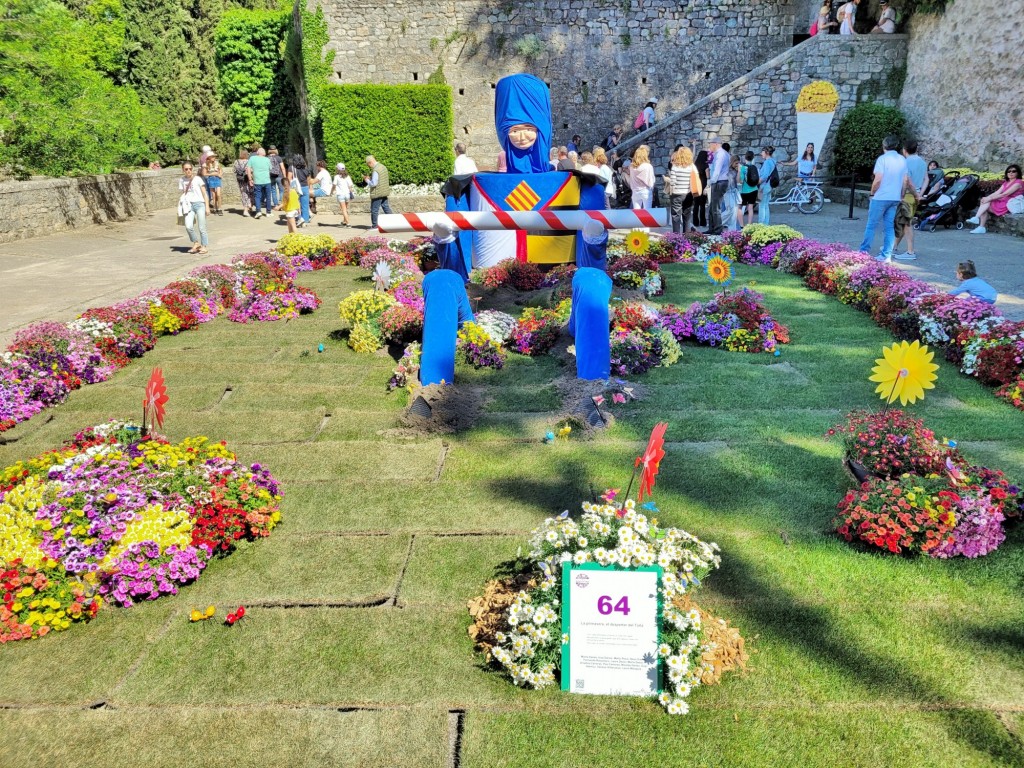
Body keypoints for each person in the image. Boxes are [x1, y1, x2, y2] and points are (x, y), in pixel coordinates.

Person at [858, 135, 911, 262]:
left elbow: (878, 179)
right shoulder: (902, 160)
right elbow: (905, 180)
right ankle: (886, 255)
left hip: (881, 197)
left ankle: (863, 251)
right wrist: (902, 194)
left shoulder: (882, 159)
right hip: (895, 197)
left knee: (871, 225)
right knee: (889, 227)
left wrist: (872, 192)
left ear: (884, 146)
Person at [893, 139, 927, 260]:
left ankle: (910, 251)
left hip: (907, 194)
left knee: (906, 223)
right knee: (902, 221)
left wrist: (901, 195)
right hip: (916, 194)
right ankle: (894, 246)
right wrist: (919, 194)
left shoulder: (905, 162)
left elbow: (906, 181)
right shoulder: (922, 162)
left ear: (904, 150)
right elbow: (926, 180)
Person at [966, 164, 1024, 234]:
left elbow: (1005, 194)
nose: (1011, 173)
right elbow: (997, 192)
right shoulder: (1006, 182)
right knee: (985, 201)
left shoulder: (1019, 182)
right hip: (1002, 201)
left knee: (986, 203)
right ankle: (979, 224)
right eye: (1009, 171)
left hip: (1009, 203)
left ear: (1018, 173)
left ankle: (979, 223)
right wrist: (987, 198)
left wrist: (989, 199)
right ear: (1006, 173)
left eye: (1013, 171)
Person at [179, 161, 210, 254]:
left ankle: (204, 246)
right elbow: (184, 194)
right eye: (186, 169)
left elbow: (205, 193)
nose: (188, 171)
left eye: (190, 169)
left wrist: (207, 206)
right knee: (188, 226)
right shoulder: (182, 180)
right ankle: (196, 243)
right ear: (183, 170)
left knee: (202, 227)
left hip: (199, 204)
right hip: (189, 205)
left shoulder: (198, 179)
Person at [668, 146, 700, 234]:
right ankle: (686, 236)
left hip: (676, 194)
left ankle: (676, 236)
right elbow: (696, 178)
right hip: (688, 194)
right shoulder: (692, 166)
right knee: (687, 216)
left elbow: (673, 181)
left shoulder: (675, 166)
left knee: (676, 216)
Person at [706, 137, 730, 234]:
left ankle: (717, 229)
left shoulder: (720, 154)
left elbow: (717, 170)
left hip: (719, 182)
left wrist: (711, 181)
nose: (710, 146)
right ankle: (712, 228)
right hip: (720, 181)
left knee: (715, 207)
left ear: (716, 144)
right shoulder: (723, 154)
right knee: (713, 206)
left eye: (711, 144)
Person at [364, 155, 393, 230]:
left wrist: (367, 180)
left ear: (370, 162)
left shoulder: (376, 170)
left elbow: (374, 183)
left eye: (368, 165)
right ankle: (394, 222)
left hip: (377, 193)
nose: (369, 166)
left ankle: (374, 226)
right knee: (386, 207)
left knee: (374, 209)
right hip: (384, 191)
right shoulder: (383, 166)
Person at [246, 147, 272, 219]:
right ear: (264, 153)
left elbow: (248, 169)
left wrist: (250, 179)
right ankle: (268, 212)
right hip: (267, 180)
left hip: (257, 181)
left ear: (257, 153)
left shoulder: (252, 158)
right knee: (268, 196)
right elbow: (270, 169)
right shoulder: (267, 159)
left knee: (257, 196)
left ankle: (258, 212)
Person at [628, 145, 655, 210]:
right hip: (645, 190)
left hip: (635, 190)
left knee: (637, 213)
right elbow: (651, 181)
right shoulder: (648, 166)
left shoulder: (631, 166)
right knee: (648, 212)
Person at [739, 151, 759, 227]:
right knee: (750, 207)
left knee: (740, 207)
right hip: (754, 189)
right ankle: (749, 225)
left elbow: (741, 180)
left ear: (745, 158)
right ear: (753, 158)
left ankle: (742, 225)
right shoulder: (754, 167)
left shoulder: (743, 168)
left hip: (744, 190)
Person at [758, 146, 777, 224]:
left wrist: (758, 182)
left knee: (762, 205)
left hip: (764, 185)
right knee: (766, 205)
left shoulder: (767, 162)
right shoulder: (772, 161)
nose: (761, 153)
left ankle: (761, 224)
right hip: (769, 185)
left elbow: (765, 175)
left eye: (762, 152)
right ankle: (766, 223)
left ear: (767, 153)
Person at [290, 154, 312, 224]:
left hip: (296, 189)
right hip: (305, 187)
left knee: (297, 205)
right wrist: (308, 188)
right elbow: (309, 180)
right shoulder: (305, 168)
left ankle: (299, 218)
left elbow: (289, 178)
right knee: (305, 205)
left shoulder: (291, 168)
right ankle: (305, 220)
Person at [281, 160, 301, 234]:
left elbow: (284, 203)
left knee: (293, 226)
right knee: (289, 226)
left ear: (283, 185)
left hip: (290, 211)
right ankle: (290, 238)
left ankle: (297, 239)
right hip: (295, 209)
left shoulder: (286, 192)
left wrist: (278, 207)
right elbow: (297, 200)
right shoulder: (293, 191)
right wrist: (299, 209)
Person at [233, 150, 253, 216]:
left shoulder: (236, 161)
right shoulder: (248, 161)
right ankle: (246, 209)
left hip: (240, 179)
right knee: (248, 193)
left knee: (243, 193)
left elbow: (234, 170)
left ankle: (248, 207)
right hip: (247, 179)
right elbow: (251, 170)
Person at [693, 148, 710, 228]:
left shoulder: (695, 165)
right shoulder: (706, 165)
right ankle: (703, 222)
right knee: (702, 205)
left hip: (696, 185)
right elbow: (708, 176)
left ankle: (695, 222)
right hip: (703, 185)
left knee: (696, 204)